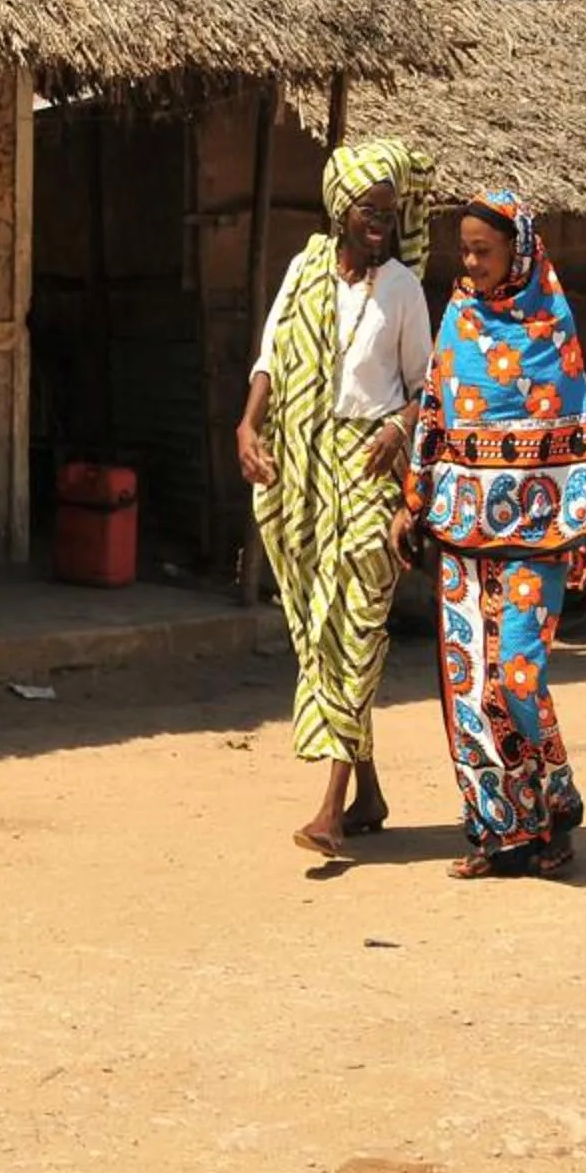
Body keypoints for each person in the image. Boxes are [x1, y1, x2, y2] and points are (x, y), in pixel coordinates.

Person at [395, 192, 586, 880]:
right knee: (469, 689)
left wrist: (582, 517)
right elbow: (435, 408)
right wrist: (415, 498)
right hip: (462, 529)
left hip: (538, 529)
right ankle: (506, 834)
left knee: (518, 676)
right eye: (463, 250)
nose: (470, 262)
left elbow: (577, 418)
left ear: (515, 250)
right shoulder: (459, 314)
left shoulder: (552, 321)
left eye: (482, 251)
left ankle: (555, 802)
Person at [236, 139, 436, 860]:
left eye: (388, 211)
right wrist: (248, 423)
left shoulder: (405, 290)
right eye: (368, 211)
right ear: (341, 211)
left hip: (368, 474)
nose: (379, 223)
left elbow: (427, 389)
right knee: (320, 629)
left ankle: (330, 809)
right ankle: (371, 791)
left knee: (352, 626)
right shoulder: (306, 269)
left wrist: (398, 427)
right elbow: (270, 354)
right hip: (306, 467)